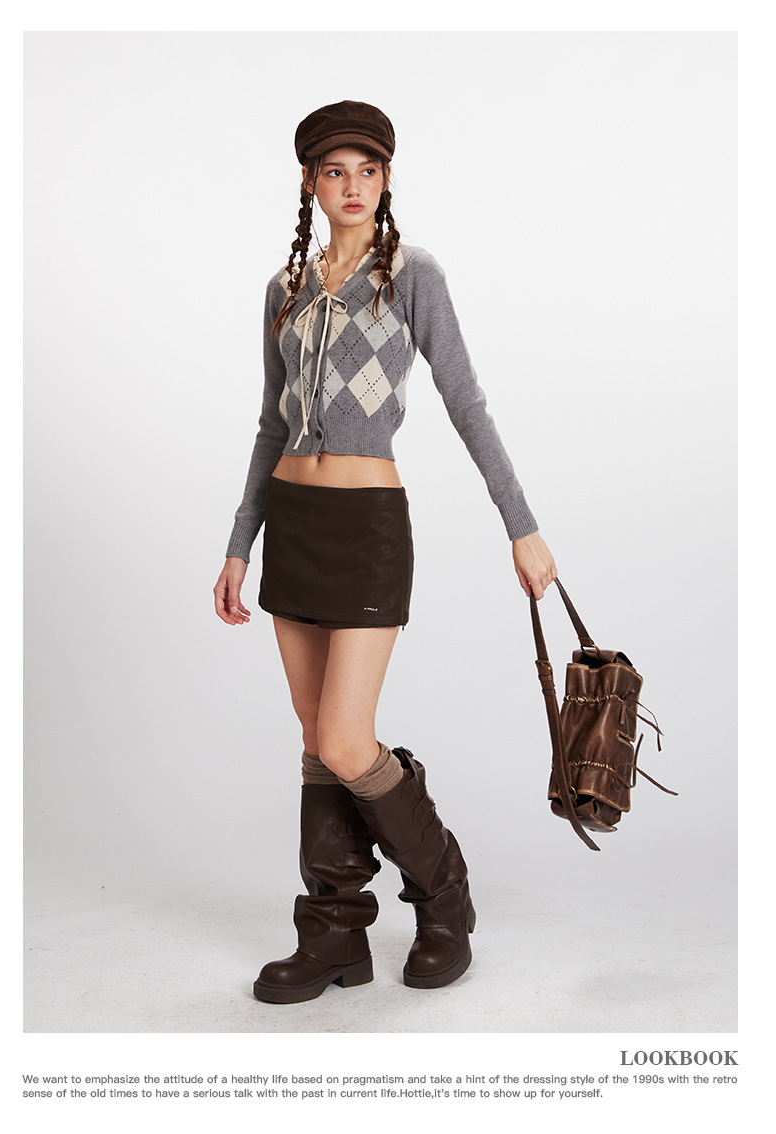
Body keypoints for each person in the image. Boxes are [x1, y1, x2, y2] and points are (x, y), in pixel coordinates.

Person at [214, 101, 557, 1005]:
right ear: (310, 182)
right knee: (315, 741)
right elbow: (270, 425)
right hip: (293, 522)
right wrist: (240, 544)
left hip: (367, 527)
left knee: (344, 735)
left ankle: (444, 894)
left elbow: (465, 402)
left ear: (387, 177)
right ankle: (333, 934)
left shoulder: (412, 276)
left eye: (367, 170)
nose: (352, 186)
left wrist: (520, 524)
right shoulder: (285, 288)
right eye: (335, 171)